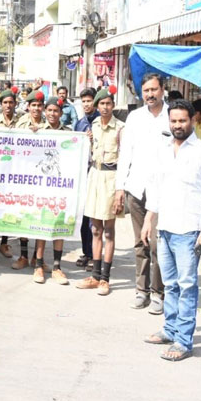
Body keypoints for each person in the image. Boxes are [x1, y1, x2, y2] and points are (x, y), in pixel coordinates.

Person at [142, 100, 201, 361]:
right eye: (173, 121)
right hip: (164, 229)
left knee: (187, 286)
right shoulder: (163, 150)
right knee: (170, 284)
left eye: (182, 121)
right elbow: (155, 188)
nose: (177, 125)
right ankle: (170, 328)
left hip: (188, 230)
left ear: (193, 121)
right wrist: (148, 220)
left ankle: (184, 341)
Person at [115, 73, 169, 314]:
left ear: (163, 90)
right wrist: (120, 187)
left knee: (157, 243)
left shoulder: (173, 117)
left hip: (164, 191)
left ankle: (159, 292)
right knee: (140, 243)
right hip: (136, 188)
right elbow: (125, 154)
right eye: (146, 91)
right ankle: (141, 290)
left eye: (154, 90)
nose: (150, 94)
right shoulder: (135, 118)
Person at [76, 87, 124, 296]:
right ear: (97, 106)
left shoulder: (121, 128)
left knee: (109, 231)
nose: (105, 107)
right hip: (94, 177)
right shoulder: (92, 126)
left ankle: (105, 278)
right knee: (95, 229)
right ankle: (95, 275)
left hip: (112, 179)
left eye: (108, 103)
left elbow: (125, 159)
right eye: (101, 104)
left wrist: (120, 190)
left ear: (113, 105)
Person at [30, 96, 70, 285]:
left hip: (61, 188)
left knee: (58, 225)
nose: (52, 114)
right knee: (42, 224)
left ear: (61, 113)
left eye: (56, 111)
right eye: (50, 110)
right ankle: (38, 265)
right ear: (45, 112)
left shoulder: (69, 134)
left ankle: (56, 266)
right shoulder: (38, 132)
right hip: (42, 188)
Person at [13, 90, 46, 270]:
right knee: (24, 216)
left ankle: (37, 257)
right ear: (28, 106)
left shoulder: (49, 125)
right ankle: (23, 255)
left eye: (39, 105)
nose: (36, 108)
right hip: (24, 177)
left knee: (40, 217)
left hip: (42, 178)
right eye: (33, 105)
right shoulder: (21, 124)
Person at [74, 88, 100, 270]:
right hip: (82, 174)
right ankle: (86, 252)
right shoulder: (79, 124)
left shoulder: (100, 122)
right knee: (83, 218)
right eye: (83, 101)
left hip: (98, 174)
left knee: (94, 219)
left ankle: (95, 255)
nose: (86, 104)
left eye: (89, 101)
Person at [0, 86, 21, 258]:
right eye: (5, 102)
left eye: (11, 102)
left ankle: (4, 242)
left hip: (15, 168)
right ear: (1, 105)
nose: (8, 105)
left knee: (8, 205)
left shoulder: (22, 122)